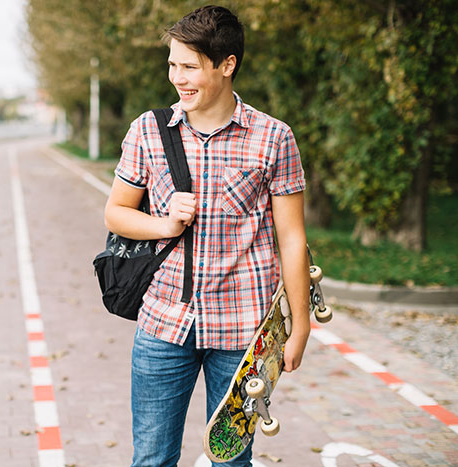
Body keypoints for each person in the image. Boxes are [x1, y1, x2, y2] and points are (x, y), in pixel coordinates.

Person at [103, 5, 310, 467]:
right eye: (173, 64)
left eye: (190, 66)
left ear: (227, 65)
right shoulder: (149, 131)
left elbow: (292, 239)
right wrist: (163, 224)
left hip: (243, 332)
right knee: (152, 460)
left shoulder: (273, 138)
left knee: (232, 462)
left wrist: (299, 327)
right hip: (164, 327)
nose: (177, 77)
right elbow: (116, 213)